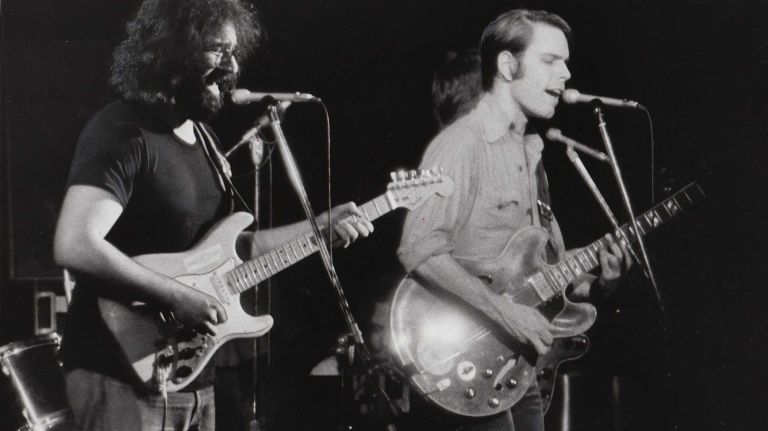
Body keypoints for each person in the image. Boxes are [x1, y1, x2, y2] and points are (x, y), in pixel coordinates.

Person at [52, 1, 373, 430]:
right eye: (218, 50)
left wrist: (320, 229)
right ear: (170, 50)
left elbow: (241, 248)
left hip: (190, 373)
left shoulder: (203, 139)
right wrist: (175, 296)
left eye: (234, 52)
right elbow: (75, 243)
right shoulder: (124, 131)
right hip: (118, 369)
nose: (231, 67)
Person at [398, 9, 631, 431]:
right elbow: (418, 249)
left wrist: (600, 280)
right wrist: (506, 313)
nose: (566, 74)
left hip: (517, 367)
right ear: (507, 66)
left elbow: (545, 274)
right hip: (466, 363)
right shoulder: (461, 145)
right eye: (550, 60)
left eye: (565, 61)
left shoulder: (530, 156)